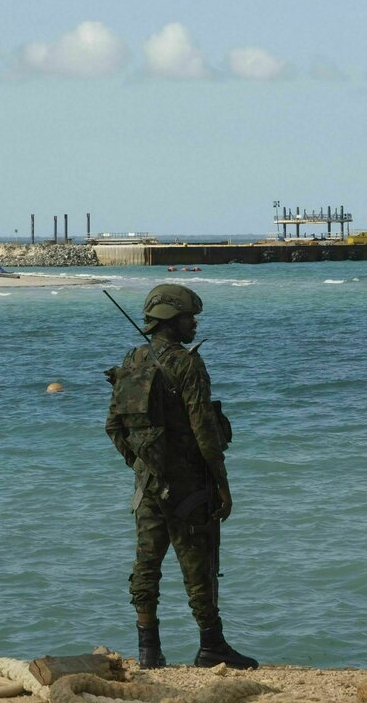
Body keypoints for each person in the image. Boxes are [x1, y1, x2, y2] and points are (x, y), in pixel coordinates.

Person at [104, 283, 258, 670]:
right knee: (198, 567)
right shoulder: (187, 364)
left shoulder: (133, 359)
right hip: (189, 485)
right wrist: (222, 485)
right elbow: (205, 431)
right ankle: (211, 646)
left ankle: (148, 651)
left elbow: (113, 426)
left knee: (146, 565)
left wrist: (142, 464)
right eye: (190, 317)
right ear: (172, 319)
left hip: (147, 485)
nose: (194, 324)